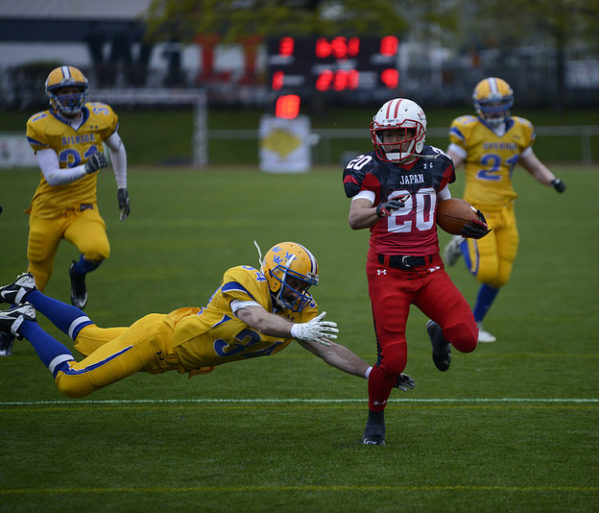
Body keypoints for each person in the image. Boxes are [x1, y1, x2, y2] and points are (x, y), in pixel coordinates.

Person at [0, 241, 415, 399]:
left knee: (88, 338)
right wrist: (294, 330)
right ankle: (22, 322)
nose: (301, 293)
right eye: (295, 283)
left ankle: (27, 292)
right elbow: (256, 319)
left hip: (173, 353)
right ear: (273, 273)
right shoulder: (244, 280)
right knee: (73, 381)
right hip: (157, 339)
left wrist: (374, 373)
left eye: (305, 285)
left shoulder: (296, 311)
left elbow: (330, 351)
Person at [343, 98, 490, 445]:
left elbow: (445, 208)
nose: (392, 141)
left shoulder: (437, 163)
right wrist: (380, 210)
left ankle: (438, 332)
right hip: (387, 272)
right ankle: (375, 419)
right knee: (392, 360)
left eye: (401, 133)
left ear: (419, 133)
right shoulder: (369, 169)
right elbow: (354, 218)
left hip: (430, 269)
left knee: (467, 340)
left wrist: (468, 224)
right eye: (387, 134)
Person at [0, 65, 131, 357]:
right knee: (35, 279)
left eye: (75, 90)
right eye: (63, 91)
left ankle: (78, 273)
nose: (71, 96)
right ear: (52, 96)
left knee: (98, 250)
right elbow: (52, 176)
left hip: (83, 208)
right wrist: (87, 167)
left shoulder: (100, 117)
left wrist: (122, 187)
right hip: (47, 210)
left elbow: (118, 148)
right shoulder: (41, 125)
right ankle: (7, 330)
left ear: (84, 92)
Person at [443, 77, 566, 343]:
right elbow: (450, 164)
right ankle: (461, 241)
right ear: (479, 106)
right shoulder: (468, 129)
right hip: (478, 211)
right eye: (490, 104)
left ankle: (475, 323)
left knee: (501, 277)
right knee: (486, 271)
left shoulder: (520, 129)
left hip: (506, 210)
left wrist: (553, 180)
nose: (496, 110)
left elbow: (532, 164)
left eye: (501, 104)